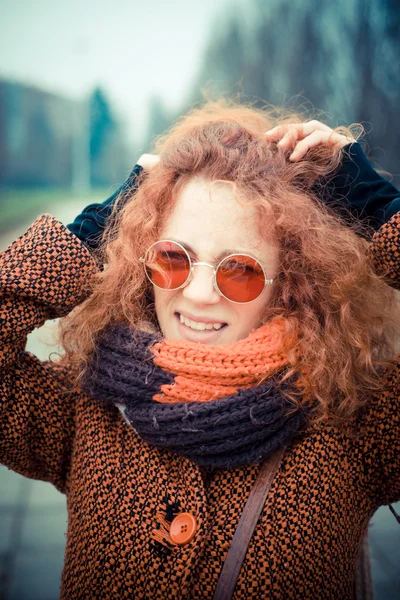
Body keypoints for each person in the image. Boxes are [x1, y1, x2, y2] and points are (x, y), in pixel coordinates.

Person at [1, 99, 399, 599]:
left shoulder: (356, 417)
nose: (198, 294)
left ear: (288, 284)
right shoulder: (85, 407)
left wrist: (377, 204)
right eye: (173, 258)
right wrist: (94, 229)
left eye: (240, 269)